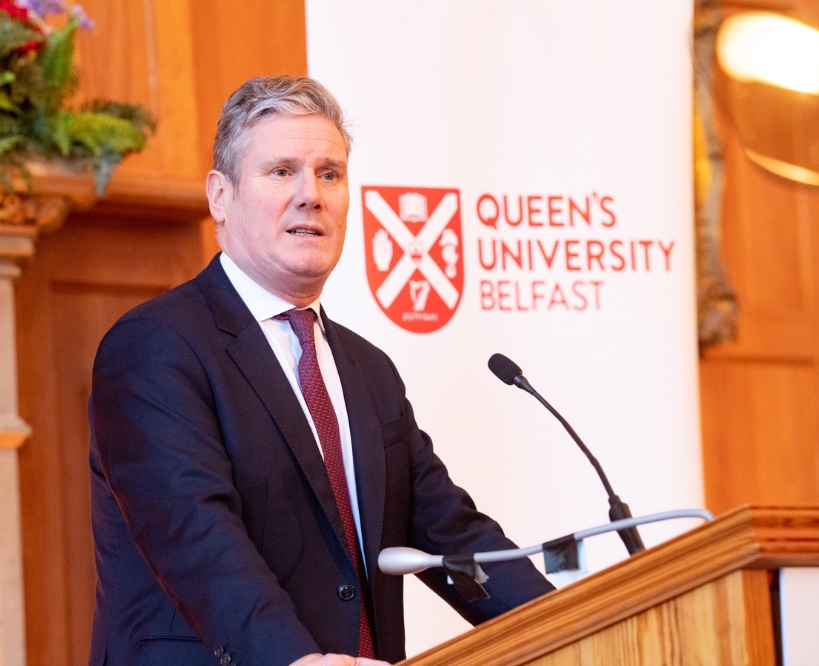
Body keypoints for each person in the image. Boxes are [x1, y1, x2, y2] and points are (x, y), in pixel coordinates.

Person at [88, 75, 554, 666]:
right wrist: (294, 660)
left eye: (329, 174)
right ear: (220, 196)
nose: (311, 194)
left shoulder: (368, 369)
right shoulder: (154, 347)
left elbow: (453, 537)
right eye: (282, 171)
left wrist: (571, 628)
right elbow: (196, 537)